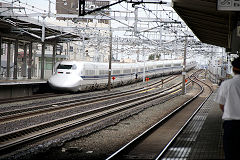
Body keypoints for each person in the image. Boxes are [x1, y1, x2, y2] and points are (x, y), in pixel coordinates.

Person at [215, 57, 240, 160]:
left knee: (231, 154)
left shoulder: (226, 84)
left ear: (233, 69)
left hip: (231, 126)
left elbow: (221, 105)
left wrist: (231, 111)